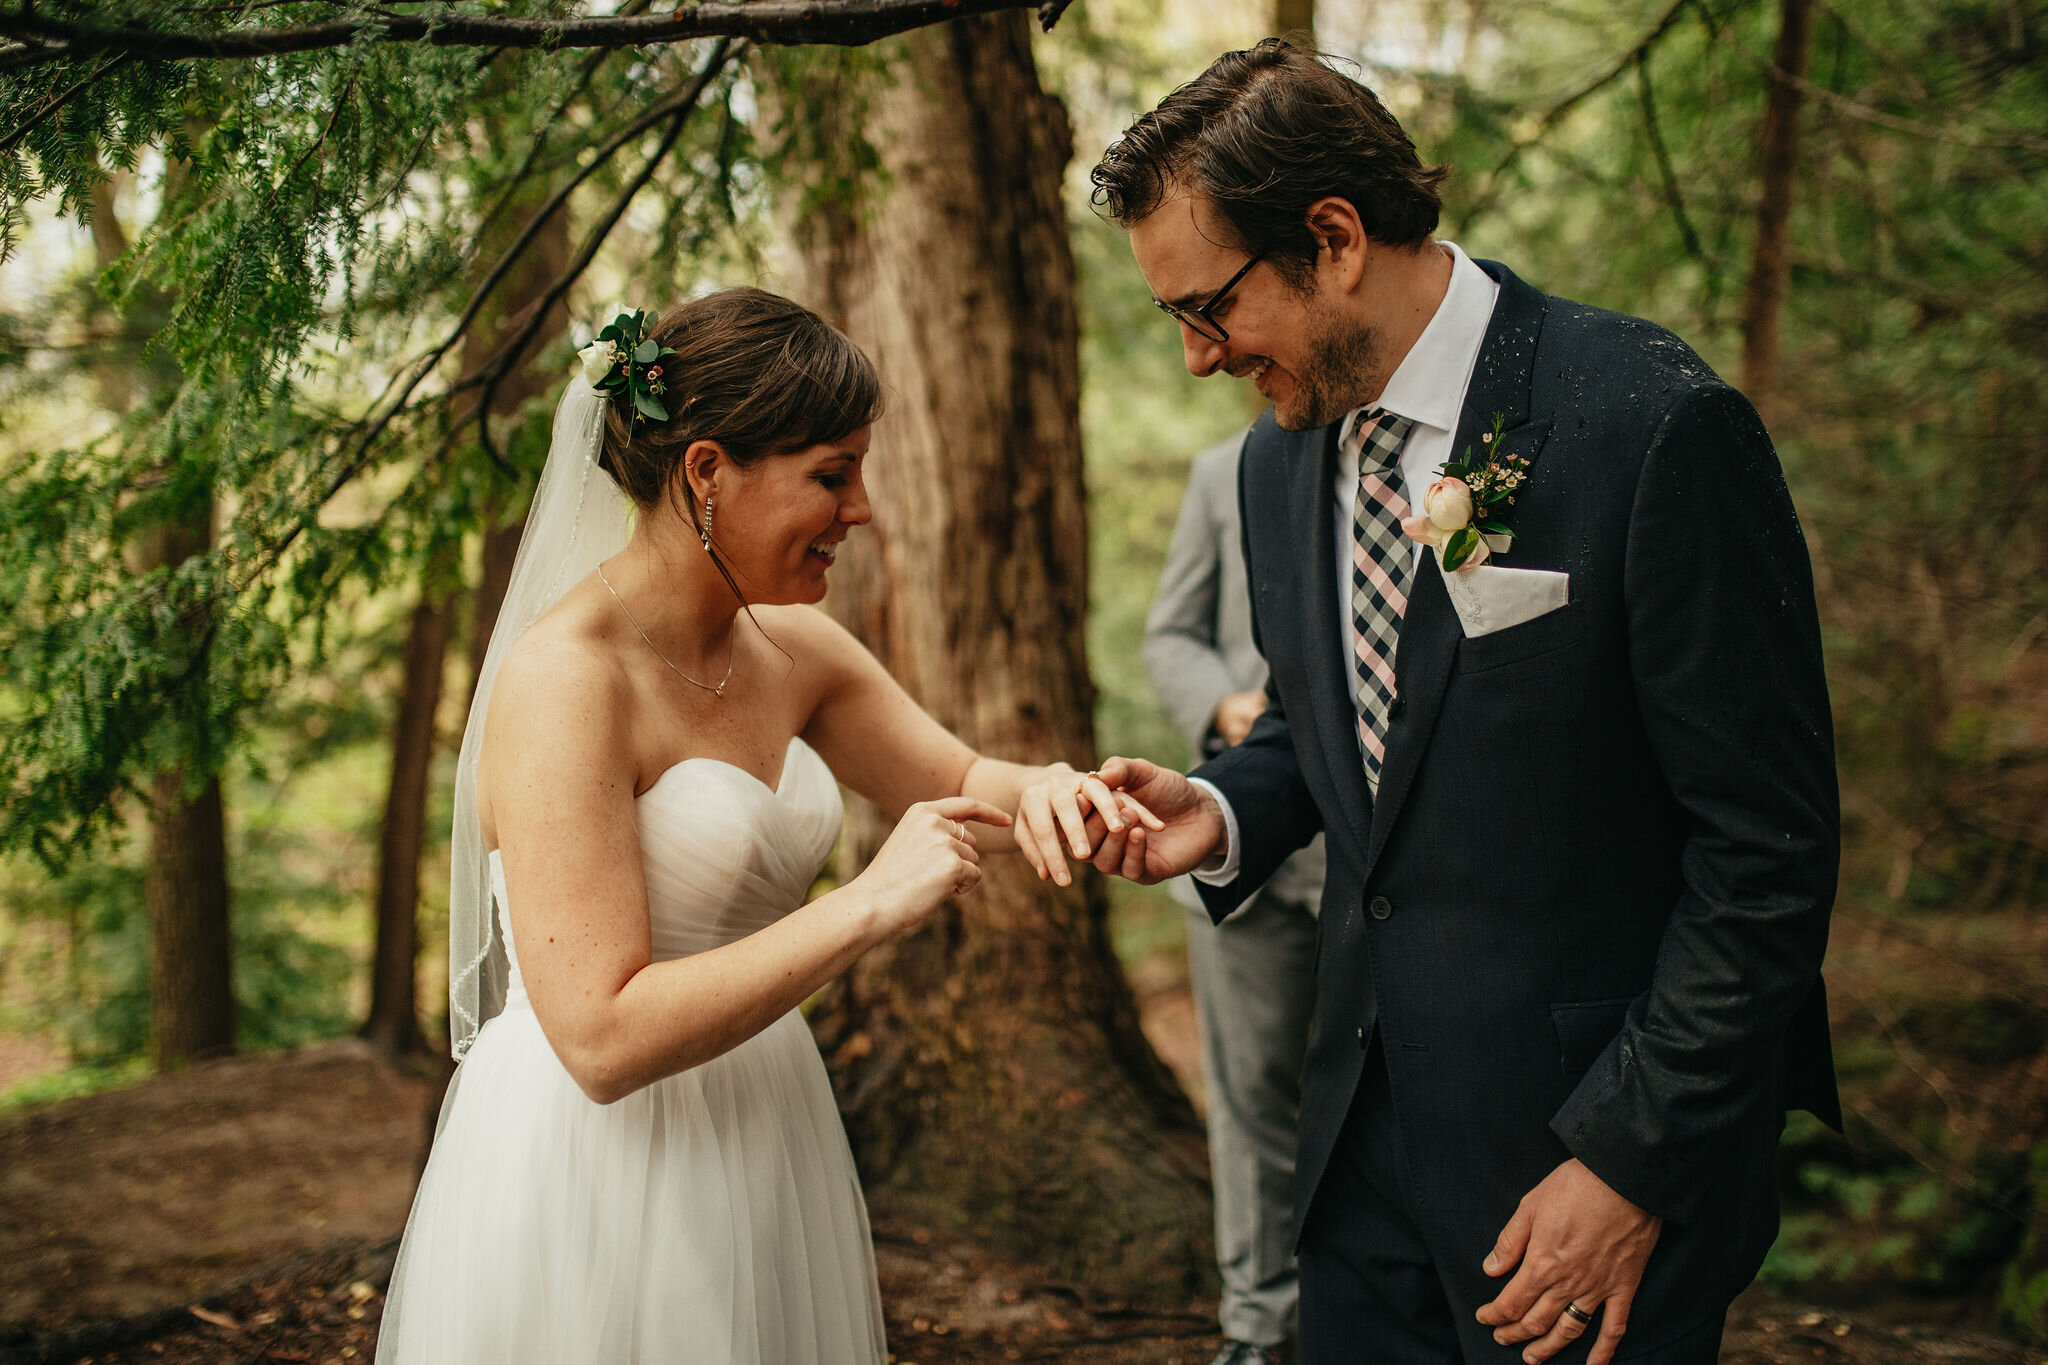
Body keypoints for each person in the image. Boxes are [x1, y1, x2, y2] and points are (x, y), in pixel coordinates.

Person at [1015, 39, 1840, 1365]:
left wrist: (1631, 1163)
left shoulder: (1650, 423)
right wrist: (1222, 811)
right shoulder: (1275, 471)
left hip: (1582, 1183)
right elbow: (1343, 724)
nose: (1198, 359)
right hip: (1363, 1171)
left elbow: (1767, 854)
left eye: (1208, 309)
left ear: (1333, 239)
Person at [376, 289, 1108, 1363]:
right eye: (830, 475)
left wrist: (1063, 792)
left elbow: (959, 780)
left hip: (766, 1115)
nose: (859, 512)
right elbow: (600, 1037)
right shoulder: (565, 683)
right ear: (707, 471)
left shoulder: (793, 650)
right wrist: (862, 908)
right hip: (597, 1157)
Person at [1143, 430, 1323, 1365]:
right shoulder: (1225, 470)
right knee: (1253, 1099)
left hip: (1384, 862)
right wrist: (1225, 709)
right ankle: (1260, 1330)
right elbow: (1171, 631)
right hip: (1238, 844)